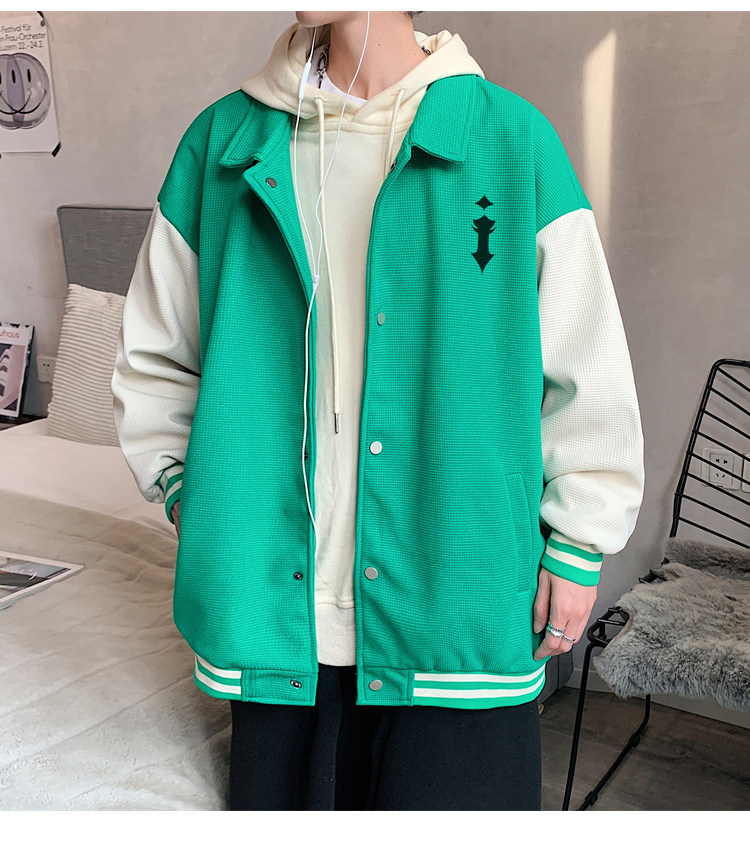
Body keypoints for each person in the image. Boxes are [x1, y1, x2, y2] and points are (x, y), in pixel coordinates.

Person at [111, 10, 645, 810]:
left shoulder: (510, 140)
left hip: (458, 592)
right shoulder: (222, 143)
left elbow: (586, 365)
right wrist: (190, 491)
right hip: (270, 604)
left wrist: (579, 541)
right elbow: (156, 354)